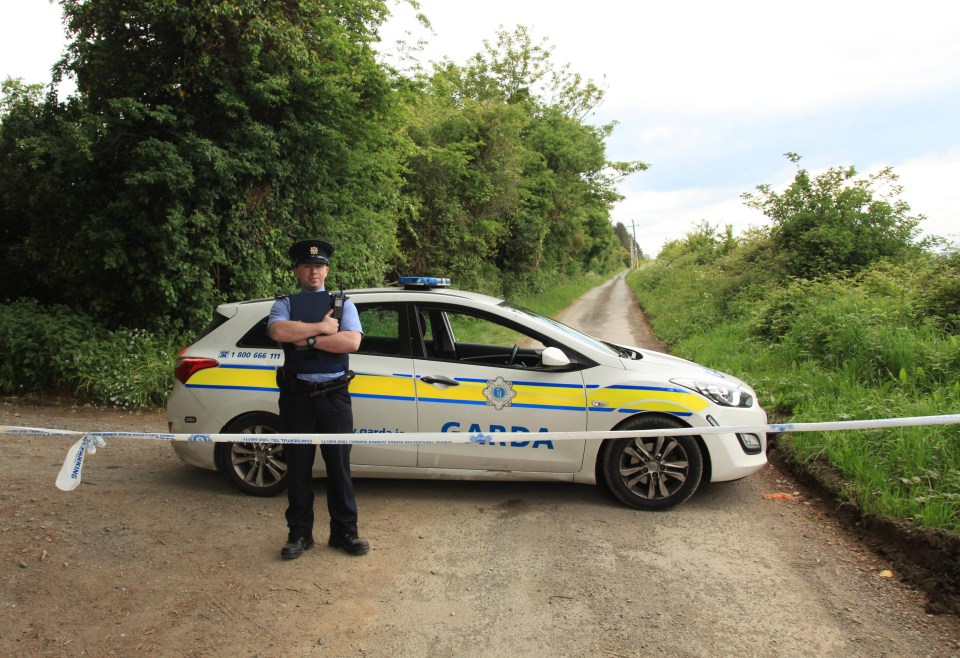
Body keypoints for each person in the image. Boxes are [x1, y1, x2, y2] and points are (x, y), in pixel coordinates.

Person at [267, 239, 369, 559]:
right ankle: (299, 534)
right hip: (297, 398)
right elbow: (279, 333)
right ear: (298, 270)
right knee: (297, 470)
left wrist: (307, 339)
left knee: (339, 468)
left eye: (319, 266)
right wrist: (323, 329)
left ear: (327, 269)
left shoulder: (343, 303)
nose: (314, 271)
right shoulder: (284, 303)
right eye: (308, 266)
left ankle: (345, 533)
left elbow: (351, 342)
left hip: (334, 397)